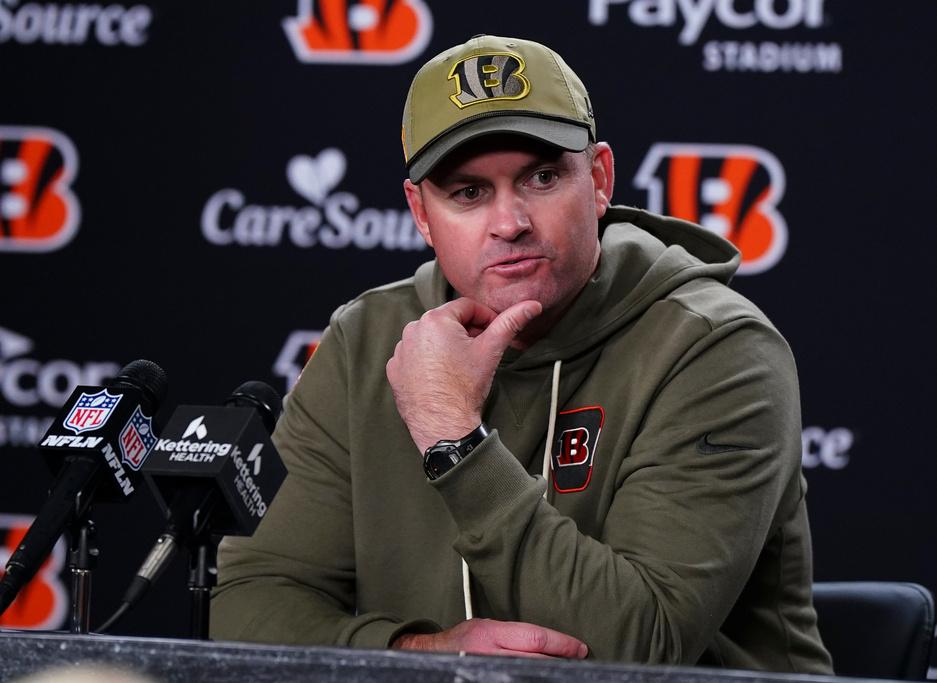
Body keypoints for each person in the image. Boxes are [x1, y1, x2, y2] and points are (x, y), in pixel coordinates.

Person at [210, 34, 833, 671]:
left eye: (541, 177)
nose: (510, 222)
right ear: (421, 215)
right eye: (468, 193)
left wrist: (451, 433)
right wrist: (420, 656)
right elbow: (244, 606)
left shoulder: (716, 350)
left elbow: (639, 651)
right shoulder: (365, 342)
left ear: (597, 180)